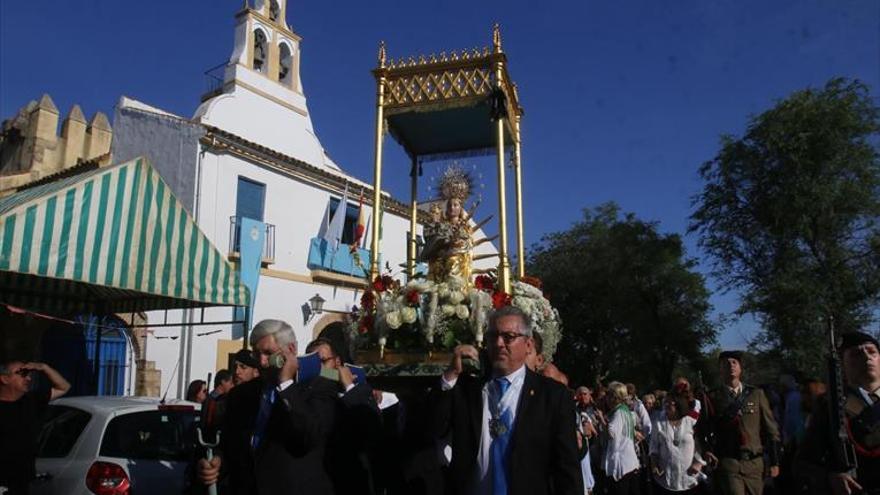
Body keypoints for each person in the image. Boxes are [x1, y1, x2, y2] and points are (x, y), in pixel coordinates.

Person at [431, 305, 583, 495]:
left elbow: (567, 467)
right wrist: (450, 374)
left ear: (528, 345)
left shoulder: (552, 396)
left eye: (508, 337)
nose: (499, 343)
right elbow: (433, 428)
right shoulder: (466, 389)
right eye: (493, 336)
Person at [197, 319, 338, 495]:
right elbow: (230, 444)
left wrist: (286, 384)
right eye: (257, 354)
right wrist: (218, 461)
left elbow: (308, 436)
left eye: (268, 353)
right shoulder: (240, 395)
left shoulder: (318, 388)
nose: (262, 362)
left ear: (291, 350)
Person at [797, 331, 880, 494]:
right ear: (842, 364)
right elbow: (803, 463)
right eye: (856, 354)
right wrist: (830, 477)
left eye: (872, 352)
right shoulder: (830, 406)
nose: (866, 357)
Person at [697, 350, 780, 495]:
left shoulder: (756, 394)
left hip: (755, 463)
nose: (731, 366)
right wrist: (707, 450)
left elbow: (771, 429)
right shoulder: (712, 397)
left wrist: (774, 461)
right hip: (729, 462)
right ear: (720, 370)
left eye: (734, 362)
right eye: (726, 364)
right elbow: (701, 428)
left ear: (740, 368)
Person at [305, 338, 381, 495]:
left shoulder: (360, 391)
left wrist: (349, 387)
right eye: (313, 364)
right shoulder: (309, 392)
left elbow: (372, 428)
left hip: (355, 481)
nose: (319, 369)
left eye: (323, 361)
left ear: (337, 361)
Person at [0, 359, 70, 494]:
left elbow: (64, 387)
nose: (28, 378)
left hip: (22, 480)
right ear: (4, 379)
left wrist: (43, 367)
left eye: (29, 374)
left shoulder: (31, 401)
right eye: (22, 373)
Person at [649, 393, 705, 494]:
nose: (667, 405)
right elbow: (653, 447)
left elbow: (700, 444)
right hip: (666, 480)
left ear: (679, 404)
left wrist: (699, 462)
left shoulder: (691, 422)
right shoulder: (658, 423)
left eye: (670, 403)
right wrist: (654, 465)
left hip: (689, 479)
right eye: (665, 402)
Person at [603, 381, 642, 495]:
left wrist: (602, 421)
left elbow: (612, 434)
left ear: (615, 398)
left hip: (622, 465)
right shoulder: (625, 410)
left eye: (609, 395)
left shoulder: (618, 413)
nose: (606, 398)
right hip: (630, 462)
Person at [201, 369, 234, 438]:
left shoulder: (209, 398)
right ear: (223, 382)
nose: (232, 386)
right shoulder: (217, 401)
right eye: (230, 383)